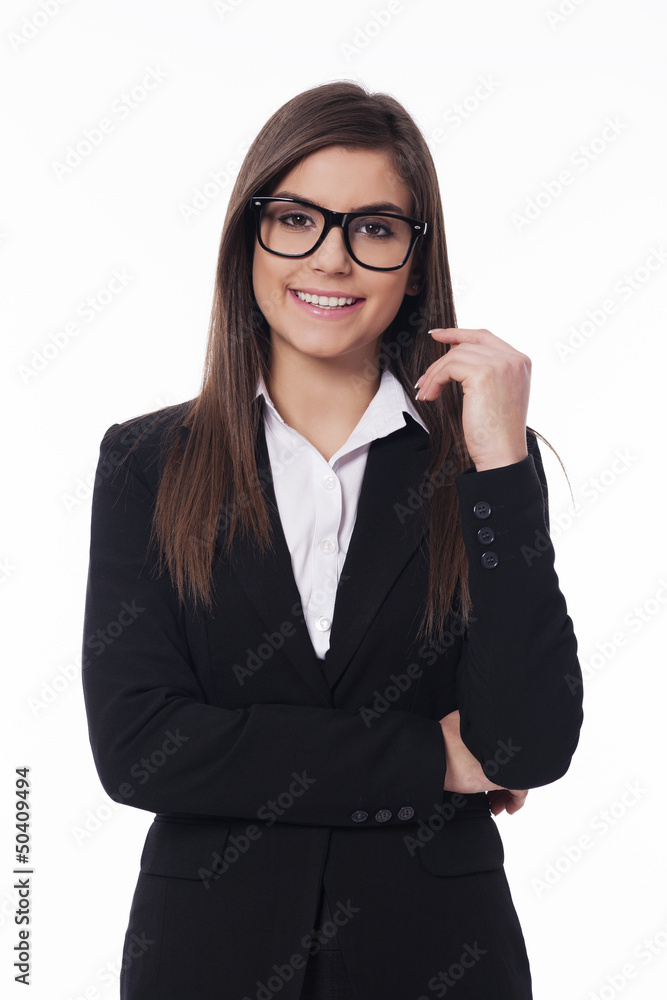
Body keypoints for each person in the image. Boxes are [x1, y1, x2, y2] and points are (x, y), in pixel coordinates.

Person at [81, 80, 584, 1000]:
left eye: (375, 228)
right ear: (249, 238)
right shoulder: (147, 464)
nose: (332, 258)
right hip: (208, 958)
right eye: (298, 219)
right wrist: (428, 757)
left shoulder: (480, 466)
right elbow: (140, 745)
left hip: (439, 956)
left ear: (413, 258)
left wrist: (501, 461)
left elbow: (527, 746)